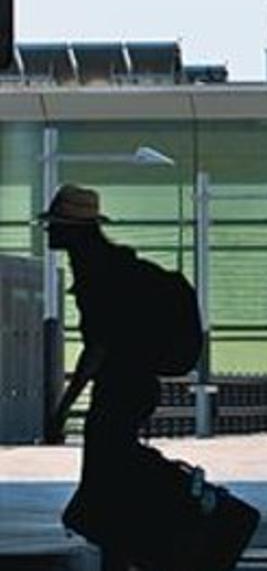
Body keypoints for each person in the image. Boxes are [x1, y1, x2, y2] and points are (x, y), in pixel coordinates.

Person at [41, 185, 161, 571]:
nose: (48, 232)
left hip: (121, 387)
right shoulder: (112, 264)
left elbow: (98, 347)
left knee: (106, 478)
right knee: (115, 477)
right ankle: (120, 555)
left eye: (55, 225)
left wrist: (63, 407)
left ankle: (120, 557)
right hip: (137, 386)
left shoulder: (97, 274)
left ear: (74, 230)